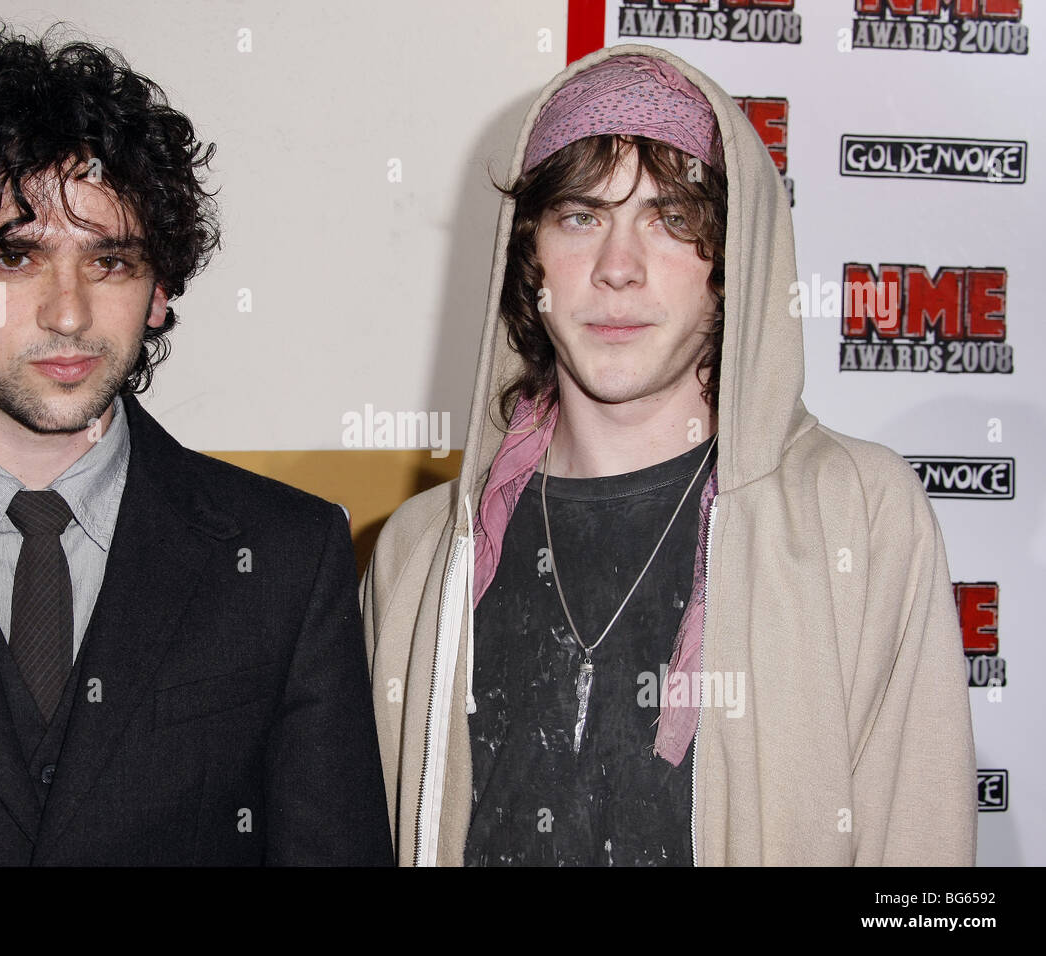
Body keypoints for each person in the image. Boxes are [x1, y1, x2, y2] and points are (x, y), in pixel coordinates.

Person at [0, 27, 392, 866]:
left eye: (111, 260)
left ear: (158, 292)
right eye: (15, 257)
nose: (69, 313)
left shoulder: (284, 558)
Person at [361, 44, 976, 866]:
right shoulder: (420, 552)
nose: (618, 268)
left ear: (731, 264)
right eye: (581, 216)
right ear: (529, 257)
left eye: (671, 218)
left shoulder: (856, 518)